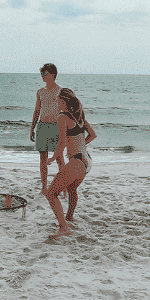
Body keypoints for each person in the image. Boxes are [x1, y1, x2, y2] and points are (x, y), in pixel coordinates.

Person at [45, 87, 96, 239]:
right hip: (87, 161)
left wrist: (53, 158)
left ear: (63, 102)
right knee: (71, 188)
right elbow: (93, 135)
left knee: (51, 193)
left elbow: (61, 143)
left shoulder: (62, 117)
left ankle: (63, 228)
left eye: (57, 101)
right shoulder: (79, 116)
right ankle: (69, 217)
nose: (56, 103)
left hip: (77, 162)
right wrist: (81, 145)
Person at [29, 63, 66, 194]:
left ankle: (63, 187)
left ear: (52, 74)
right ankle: (44, 187)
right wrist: (32, 127)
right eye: (41, 74)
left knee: (59, 157)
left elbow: (67, 111)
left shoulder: (61, 90)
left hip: (57, 127)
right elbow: (37, 110)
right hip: (42, 126)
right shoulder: (40, 92)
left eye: (45, 74)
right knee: (42, 157)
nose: (42, 76)